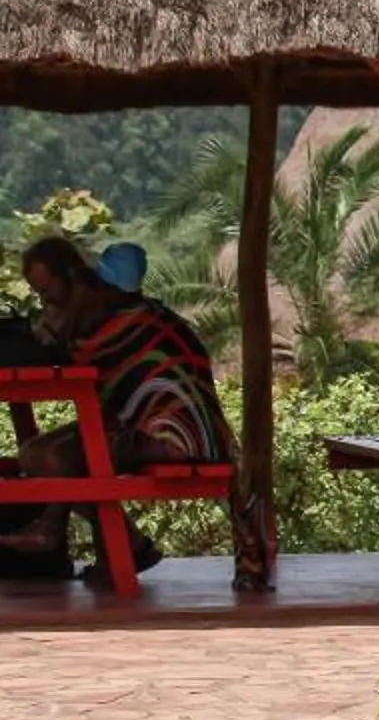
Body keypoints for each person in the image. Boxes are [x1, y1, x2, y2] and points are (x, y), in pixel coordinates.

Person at [7, 238, 276, 589]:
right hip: (199, 438)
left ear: (78, 280)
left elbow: (64, 356)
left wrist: (53, 331)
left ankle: (57, 530)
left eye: (48, 293)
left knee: (49, 456)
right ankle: (124, 546)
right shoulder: (146, 316)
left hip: (173, 439)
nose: (46, 303)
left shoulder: (115, 327)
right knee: (55, 453)